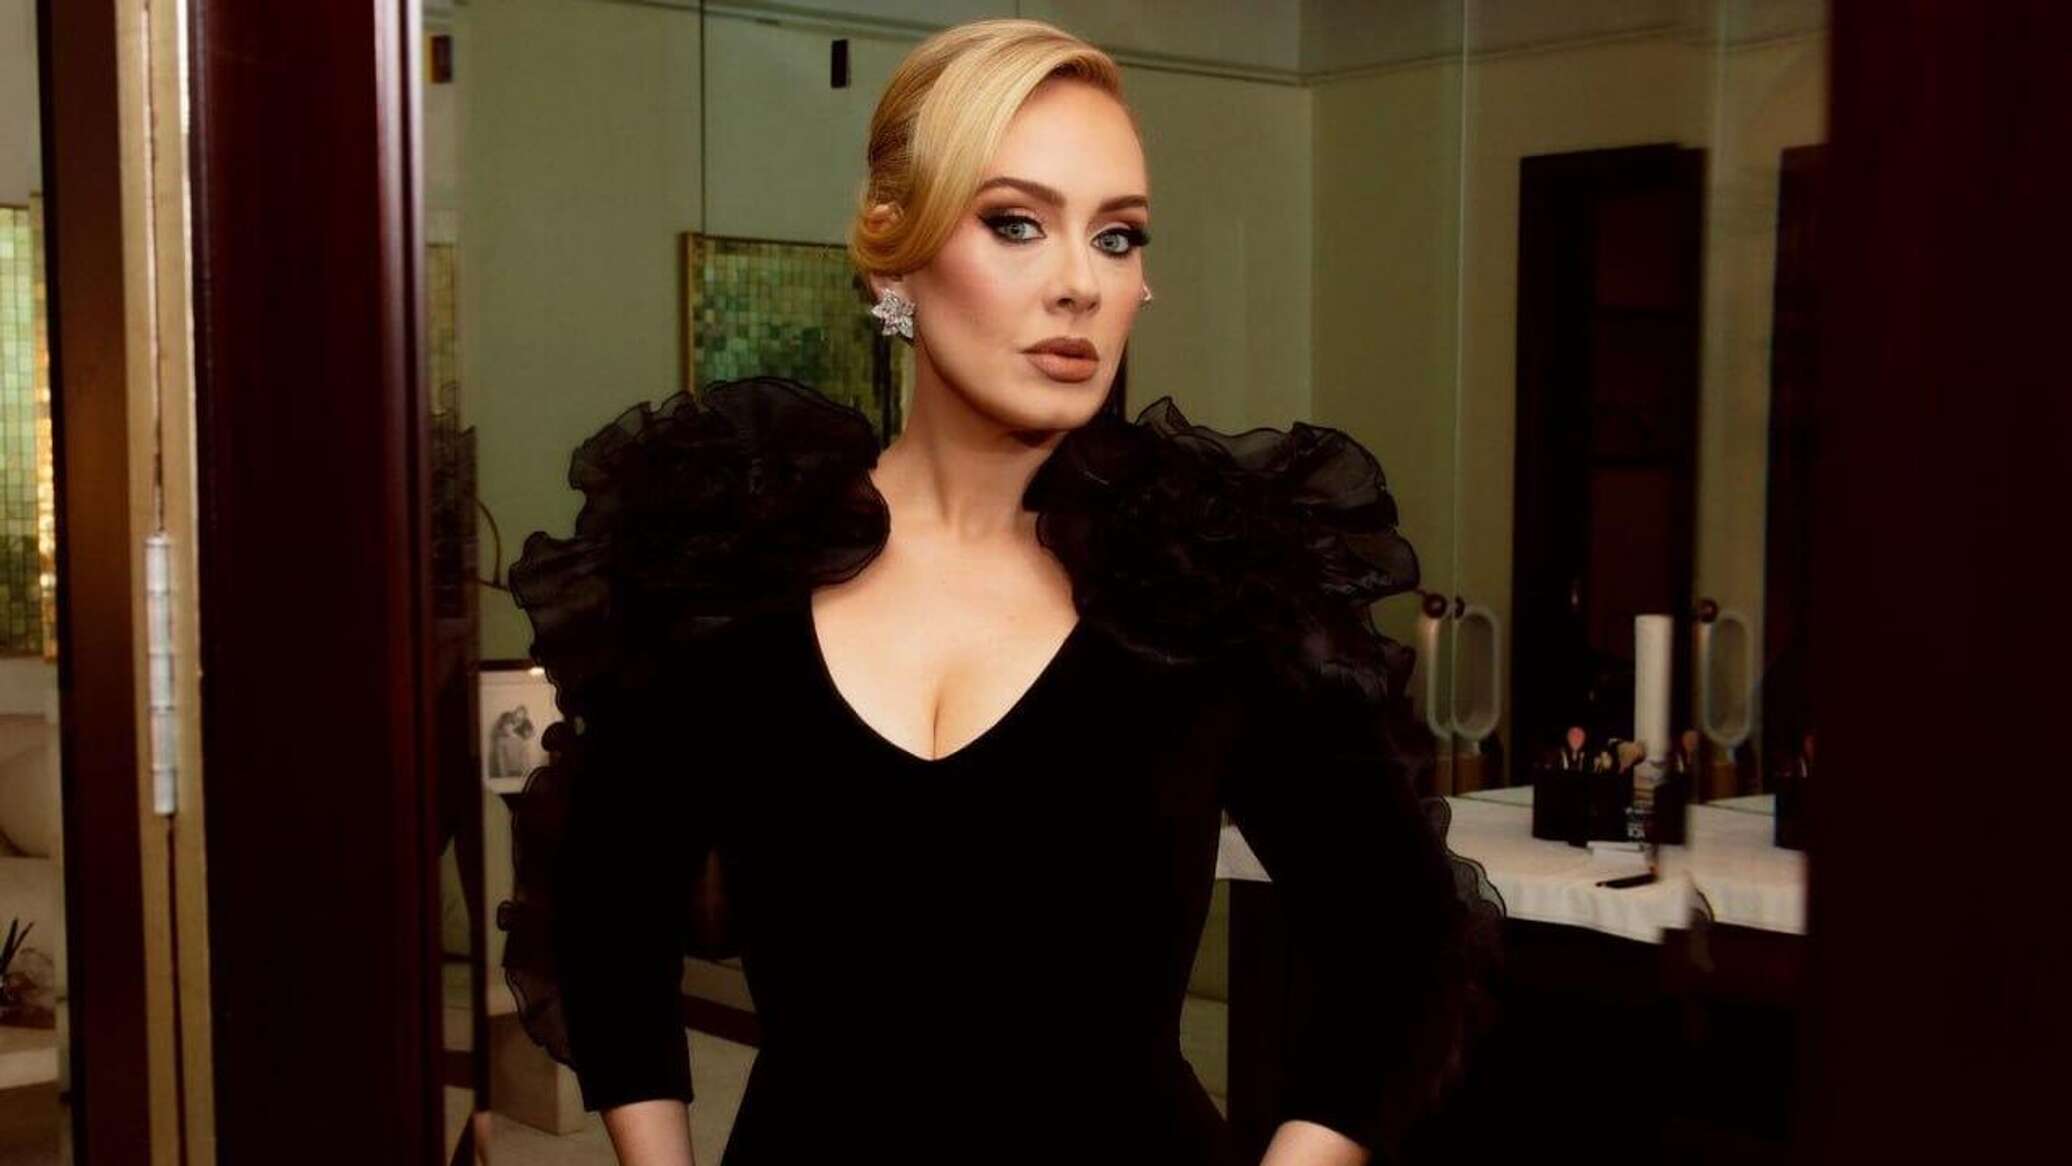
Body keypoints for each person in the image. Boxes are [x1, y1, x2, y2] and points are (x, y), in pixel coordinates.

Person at [498, 18, 1482, 1166]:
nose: (1078, 283)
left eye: (1116, 237)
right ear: (892, 253)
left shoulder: (1203, 579)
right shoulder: (730, 561)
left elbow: (1400, 942)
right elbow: (607, 912)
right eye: (1016, 223)